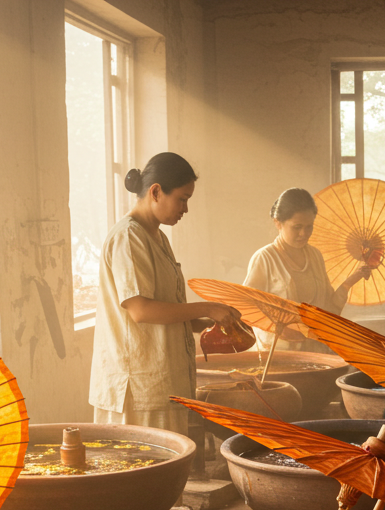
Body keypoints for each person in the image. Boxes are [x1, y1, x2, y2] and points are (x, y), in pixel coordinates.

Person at [89, 152, 240, 435]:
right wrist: (207, 308)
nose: (185, 209)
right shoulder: (128, 236)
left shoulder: (157, 237)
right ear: (156, 192)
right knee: (145, 461)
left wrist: (203, 323)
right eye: (182, 199)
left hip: (158, 382)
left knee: (168, 460)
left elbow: (164, 308)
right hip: (136, 388)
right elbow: (141, 310)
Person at [243, 187, 370, 352]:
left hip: (315, 349)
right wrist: (280, 328)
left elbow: (328, 308)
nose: (304, 233)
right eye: (297, 227)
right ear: (278, 223)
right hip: (278, 352)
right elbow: (247, 307)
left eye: (309, 227)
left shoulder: (315, 256)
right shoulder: (265, 258)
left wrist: (352, 279)